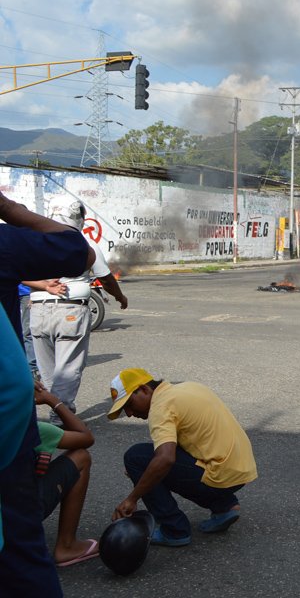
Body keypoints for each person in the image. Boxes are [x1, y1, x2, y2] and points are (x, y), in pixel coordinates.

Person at [0, 191, 95, 598]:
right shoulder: (11, 240)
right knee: (67, 373)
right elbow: (81, 253)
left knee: (45, 366)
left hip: (40, 311)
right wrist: (11, 210)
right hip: (10, 440)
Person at [109, 368, 258, 547]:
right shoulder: (187, 388)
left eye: (129, 404)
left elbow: (165, 459)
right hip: (240, 470)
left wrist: (132, 498)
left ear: (144, 389)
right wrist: (147, 469)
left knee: (135, 457)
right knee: (146, 462)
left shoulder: (160, 407)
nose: (129, 413)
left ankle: (174, 530)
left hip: (218, 475)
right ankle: (224, 506)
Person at [24, 197, 127, 425]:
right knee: (68, 369)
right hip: (71, 312)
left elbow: (19, 272)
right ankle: (61, 416)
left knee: (48, 370)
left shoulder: (35, 241)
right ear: (79, 217)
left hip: (38, 311)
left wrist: (41, 286)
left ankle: (56, 410)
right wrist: (120, 297)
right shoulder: (85, 242)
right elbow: (106, 279)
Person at [33, 380, 99, 566]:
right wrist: (52, 400)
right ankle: (67, 546)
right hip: (17, 513)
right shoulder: (31, 429)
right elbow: (85, 437)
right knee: (81, 458)